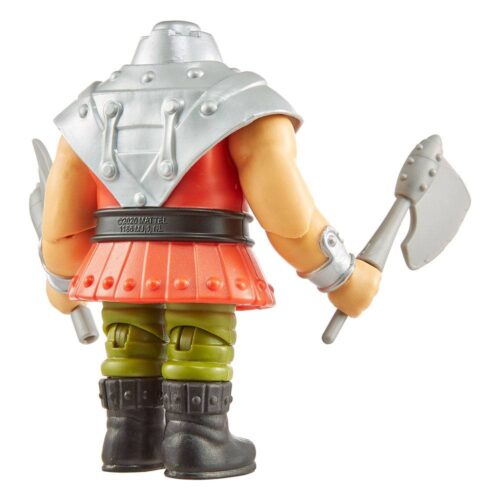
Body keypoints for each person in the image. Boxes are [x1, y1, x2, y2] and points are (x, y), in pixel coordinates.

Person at [41, 21, 380, 479]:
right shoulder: (246, 103)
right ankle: (197, 438)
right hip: (202, 257)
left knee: (126, 334)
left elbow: (62, 232)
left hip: (120, 260)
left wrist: (61, 284)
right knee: (197, 333)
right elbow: (290, 222)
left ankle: (127, 434)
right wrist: (342, 276)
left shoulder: (91, 111)